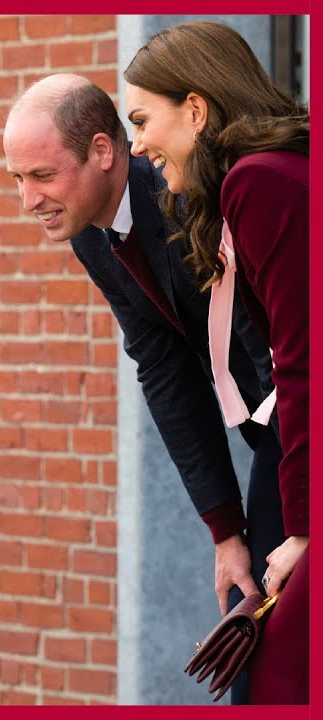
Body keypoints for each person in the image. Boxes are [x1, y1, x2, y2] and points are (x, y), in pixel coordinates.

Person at [3, 74, 284, 704]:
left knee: (274, 658)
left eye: (42, 175)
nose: (27, 200)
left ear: (103, 151)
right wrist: (225, 530)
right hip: (274, 433)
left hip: (298, 420)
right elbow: (161, 363)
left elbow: (274, 337)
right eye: (16, 179)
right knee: (260, 653)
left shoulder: (183, 193)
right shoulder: (89, 234)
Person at [124, 21, 308, 704]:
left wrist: (303, 531)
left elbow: (303, 363)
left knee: (276, 686)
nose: (139, 144)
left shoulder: (258, 182)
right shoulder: (263, 176)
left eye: (143, 119)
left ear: (196, 110)